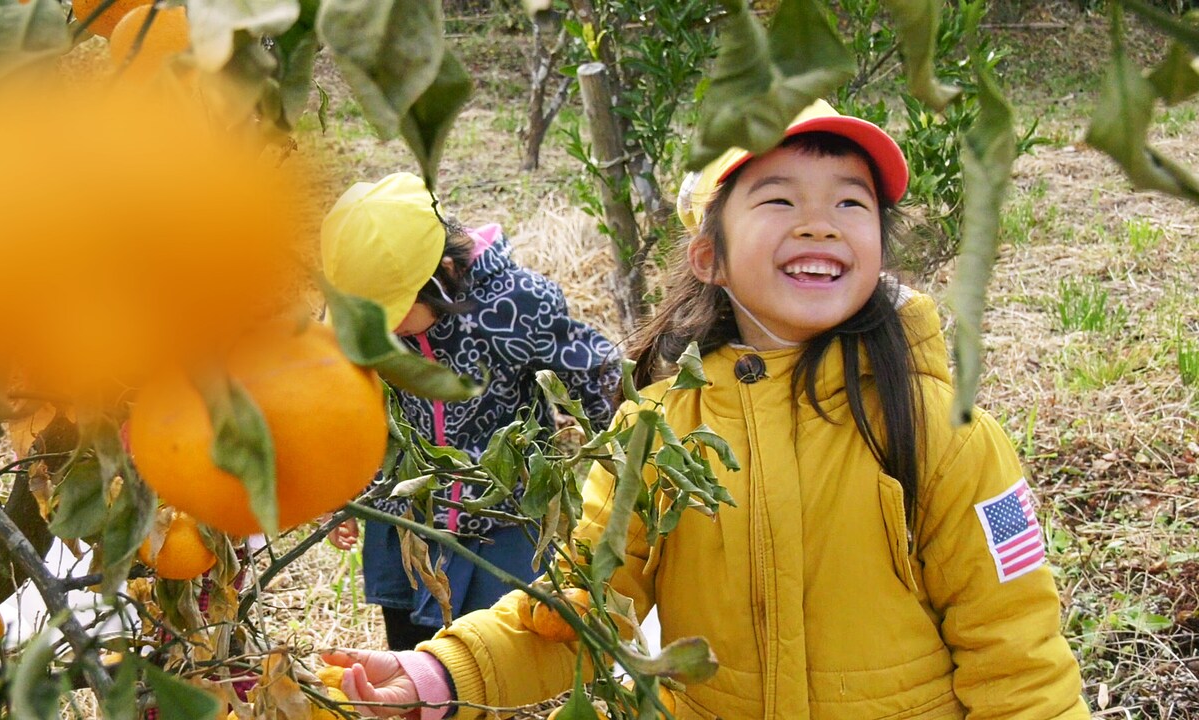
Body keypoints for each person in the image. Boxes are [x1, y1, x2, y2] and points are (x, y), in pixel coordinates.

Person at [318, 103, 1092, 719]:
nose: (819, 222)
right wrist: (440, 671)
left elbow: (1017, 653)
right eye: (780, 198)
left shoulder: (938, 432)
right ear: (708, 256)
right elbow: (583, 608)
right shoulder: (657, 433)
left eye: (850, 203)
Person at [320, 172, 621, 653]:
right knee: (411, 651)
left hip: (496, 519)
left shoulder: (517, 307)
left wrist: (626, 446)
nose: (380, 331)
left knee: (489, 651)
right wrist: (340, 495)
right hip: (406, 517)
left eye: (392, 310)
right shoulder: (366, 329)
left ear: (444, 273)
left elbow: (593, 371)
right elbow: (348, 411)